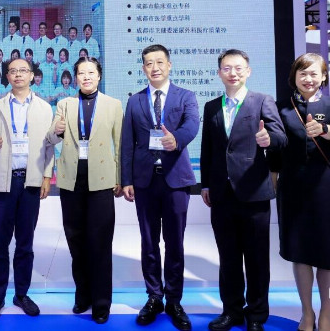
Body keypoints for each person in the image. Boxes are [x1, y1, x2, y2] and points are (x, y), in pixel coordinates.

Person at [199, 49, 286, 331]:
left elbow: (281, 137)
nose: (232, 73)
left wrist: (268, 139)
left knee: (257, 259)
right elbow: (208, 149)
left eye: (238, 68)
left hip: (254, 192)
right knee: (229, 258)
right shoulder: (211, 106)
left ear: (248, 71)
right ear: (219, 73)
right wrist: (205, 184)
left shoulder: (262, 101)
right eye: (227, 68)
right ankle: (232, 311)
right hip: (221, 194)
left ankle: (257, 315)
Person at [121, 44, 199, 331]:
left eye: (159, 62)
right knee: (149, 241)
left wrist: (176, 139)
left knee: (175, 242)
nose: (154, 67)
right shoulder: (135, 101)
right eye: (149, 63)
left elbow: (192, 125)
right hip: (144, 181)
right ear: (143, 68)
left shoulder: (185, 96)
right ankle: (154, 296)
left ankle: (174, 300)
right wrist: (126, 179)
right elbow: (127, 142)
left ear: (169, 65)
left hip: (176, 180)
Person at [271, 53, 330, 331]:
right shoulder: (281, 108)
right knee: (300, 252)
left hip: (325, 185)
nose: (308, 78)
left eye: (314, 73)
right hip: (292, 186)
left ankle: (326, 314)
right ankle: (307, 313)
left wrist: (323, 128)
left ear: (324, 77)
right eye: (302, 73)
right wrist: (273, 177)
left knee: (329, 253)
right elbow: (276, 148)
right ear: (294, 76)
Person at [46, 57, 122, 324]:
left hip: (101, 181)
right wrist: (56, 131)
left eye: (91, 72)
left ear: (99, 76)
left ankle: (101, 302)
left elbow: (119, 144)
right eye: (81, 73)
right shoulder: (65, 105)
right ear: (75, 77)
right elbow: (50, 138)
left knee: (100, 243)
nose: (86, 77)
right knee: (75, 241)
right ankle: (83, 295)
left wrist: (120, 178)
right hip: (71, 181)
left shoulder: (113, 105)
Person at [0, 58, 55, 323]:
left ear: (32, 75)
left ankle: (21, 294)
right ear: (7, 76)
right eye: (13, 71)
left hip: (30, 181)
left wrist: (47, 175)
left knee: (25, 242)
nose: (18, 75)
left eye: (23, 70)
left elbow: (49, 146)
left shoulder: (44, 108)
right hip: (2, 182)